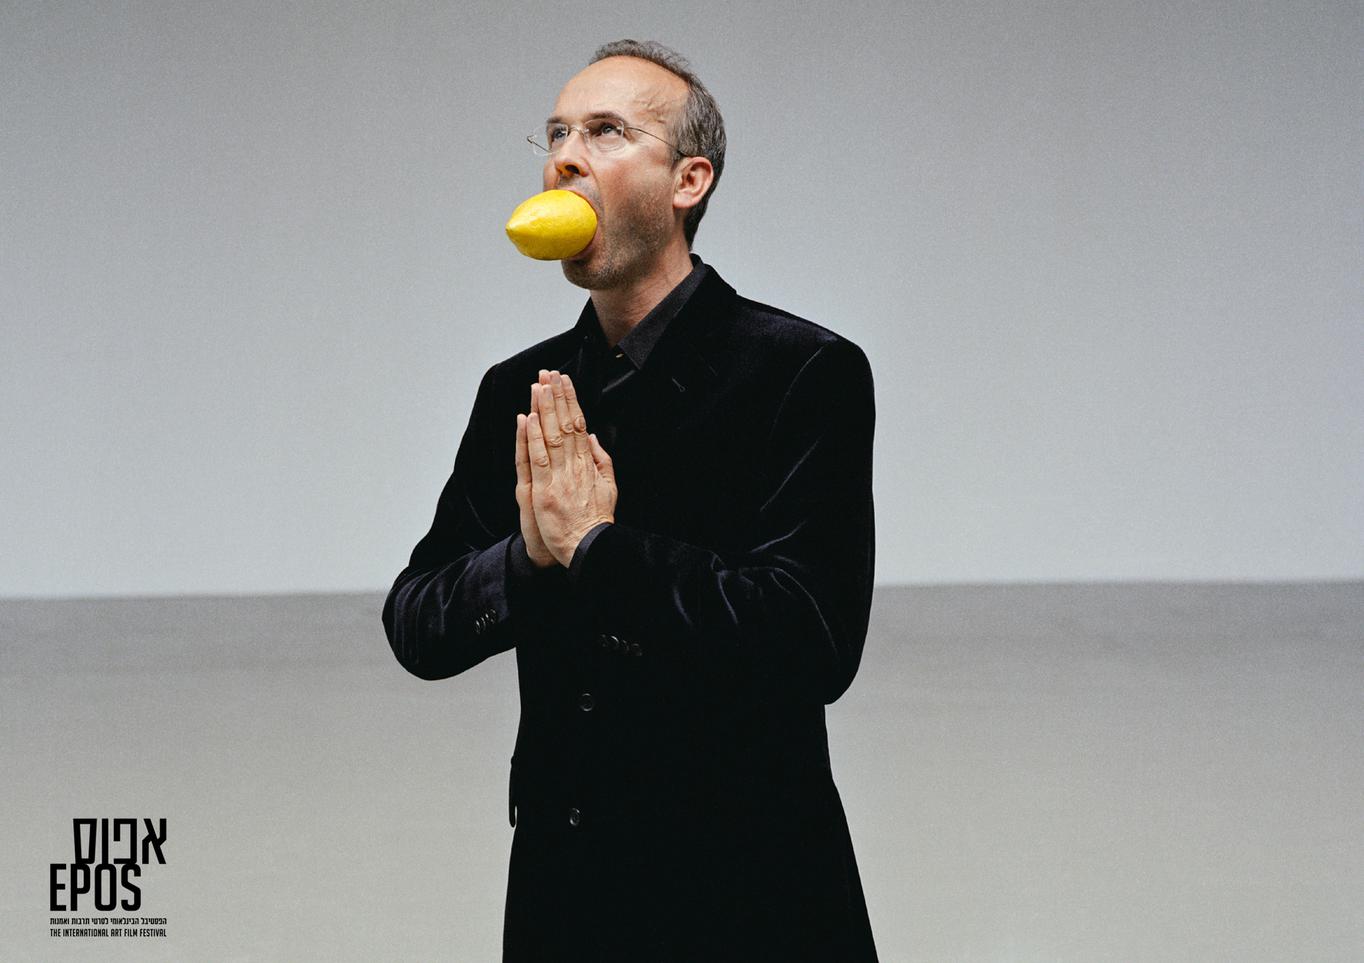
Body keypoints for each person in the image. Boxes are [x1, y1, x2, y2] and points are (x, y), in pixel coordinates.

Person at [382, 38, 878, 962]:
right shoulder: (518, 389)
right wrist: (529, 557)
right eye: (556, 134)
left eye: (606, 131)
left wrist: (599, 549)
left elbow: (812, 640)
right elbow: (417, 622)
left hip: (754, 892)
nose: (566, 156)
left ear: (690, 180)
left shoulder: (805, 372)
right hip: (565, 897)